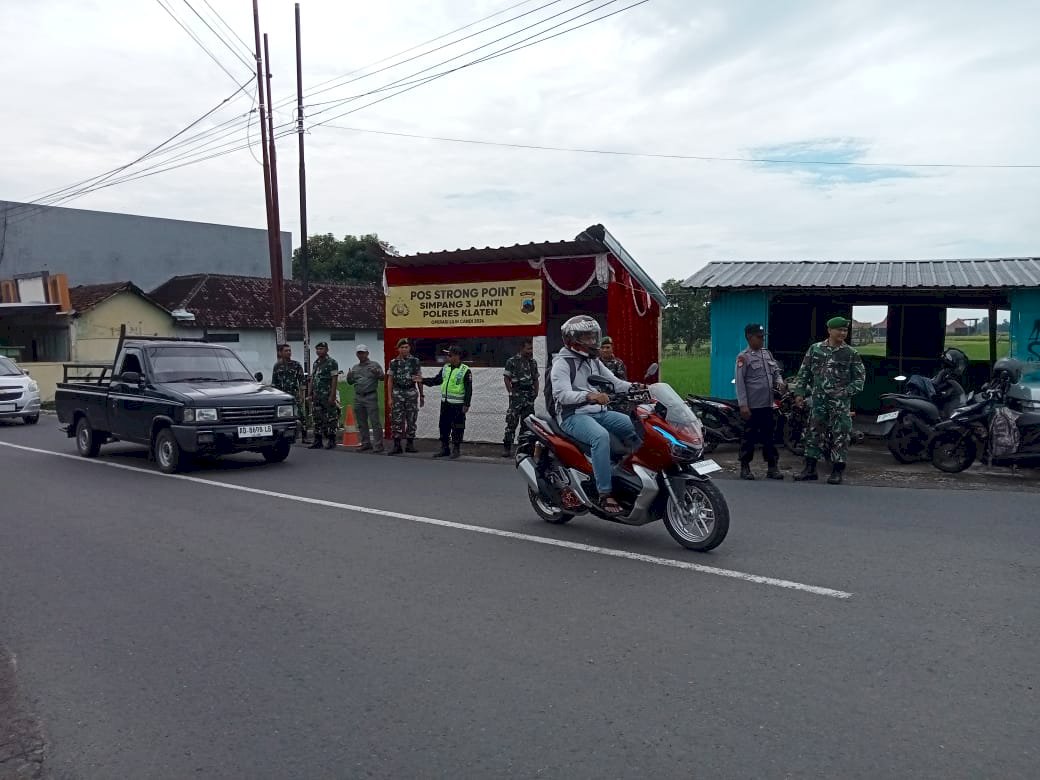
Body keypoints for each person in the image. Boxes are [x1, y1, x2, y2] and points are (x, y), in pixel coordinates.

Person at [551, 315, 639, 516]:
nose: (592, 341)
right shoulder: (562, 363)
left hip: (599, 412)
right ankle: (605, 492)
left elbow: (616, 383)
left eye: (593, 337)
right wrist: (590, 396)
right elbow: (562, 395)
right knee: (600, 437)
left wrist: (639, 387)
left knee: (635, 425)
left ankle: (634, 472)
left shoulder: (593, 361)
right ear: (573, 340)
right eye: (587, 337)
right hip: (573, 416)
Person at [791, 316, 866, 485]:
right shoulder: (815, 349)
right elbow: (804, 373)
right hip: (818, 401)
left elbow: (860, 379)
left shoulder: (850, 353)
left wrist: (846, 392)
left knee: (841, 435)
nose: (842, 333)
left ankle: (837, 471)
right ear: (829, 330)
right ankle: (810, 470)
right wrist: (799, 393)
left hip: (840, 403)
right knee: (813, 433)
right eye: (839, 329)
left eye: (845, 330)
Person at [735, 324, 786, 480]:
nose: (762, 340)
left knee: (769, 438)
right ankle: (745, 467)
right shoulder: (743, 357)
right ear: (749, 338)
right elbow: (740, 382)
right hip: (752, 406)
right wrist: (743, 405)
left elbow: (776, 371)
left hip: (767, 404)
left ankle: (772, 467)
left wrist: (779, 381)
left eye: (763, 337)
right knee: (749, 438)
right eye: (759, 337)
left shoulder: (767, 354)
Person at [422, 345, 473, 460]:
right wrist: (423, 380)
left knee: (458, 427)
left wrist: (466, 404)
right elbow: (437, 380)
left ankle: (456, 448)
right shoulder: (446, 368)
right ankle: (444, 448)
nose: (447, 357)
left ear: (457, 356)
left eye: (449, 355)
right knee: (443, 426)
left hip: (458, 404)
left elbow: (469, 389)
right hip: (445, 403)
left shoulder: (465, 370)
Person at [502, 338, 539, 457]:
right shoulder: (512, 361)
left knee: (527, 424)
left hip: (529, 396)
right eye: (528, 348)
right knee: (511, 422)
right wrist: (511, 392)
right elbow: (506, 378)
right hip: (517, 395)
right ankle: (507, 448)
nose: (530, 351)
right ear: (522, 348)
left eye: (531, 348)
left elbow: (535, 379)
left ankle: (524, 448)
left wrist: (536, 392)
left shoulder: (533, 362)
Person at [386, 338, 423, 455]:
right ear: (398, 349)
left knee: (411, 419)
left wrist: (422, 395)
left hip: (411, 392)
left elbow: (418, 378)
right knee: (396, 419)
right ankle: (397, 445)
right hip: (398, 393)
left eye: (406, 347)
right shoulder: (393, 362)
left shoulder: (415, 361)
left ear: (409, 348)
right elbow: (390, 380)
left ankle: (410, 444)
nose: (404, 349)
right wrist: (390, 397)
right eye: (402, 347)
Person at [346, 344, 385, 452]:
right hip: (358, 397)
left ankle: (378, 445)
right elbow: (350, 382)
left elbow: (382, 377)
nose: (361, 355)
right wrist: (349, 377)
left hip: (370, 396)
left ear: (367, 353)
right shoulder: (355, 367)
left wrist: (376, 373)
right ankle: (365, 443)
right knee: (361, 422)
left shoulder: (374, 365)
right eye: (359, 353)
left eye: (363, 353)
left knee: (375, 421)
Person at [309, 341, 341, 450]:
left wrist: (332, 396)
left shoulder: (332, 363)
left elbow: (334, 379)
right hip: (317, 395)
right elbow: (313, 379)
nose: (319, 351)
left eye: (321, 349)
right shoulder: (316, 363)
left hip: (327, 394)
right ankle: (318, 440)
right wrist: (310, 392)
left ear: (327, 350)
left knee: (331, 417)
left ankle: (332, 439)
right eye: (317, 349)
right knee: (317, 417)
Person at [271, 344, 306, 442]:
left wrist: (302, 395)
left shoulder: (296, 365)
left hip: (294, 394)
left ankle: (304, 436)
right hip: (282, 395)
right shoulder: (277, 366)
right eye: (286, 351)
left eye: (290, 350)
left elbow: (302, 381)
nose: (289, 352)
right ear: (280, 353)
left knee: (301, 415)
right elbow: (274, 383)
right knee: (284, 416)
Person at [598, 336, 628, 412]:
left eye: (607, 347)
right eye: (602, 348)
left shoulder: (618, 363)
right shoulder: (595, 363)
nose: (605, 350)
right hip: (598, 401)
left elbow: (621, 385)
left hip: (616, 402)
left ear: (612, 348)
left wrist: (610, 398)